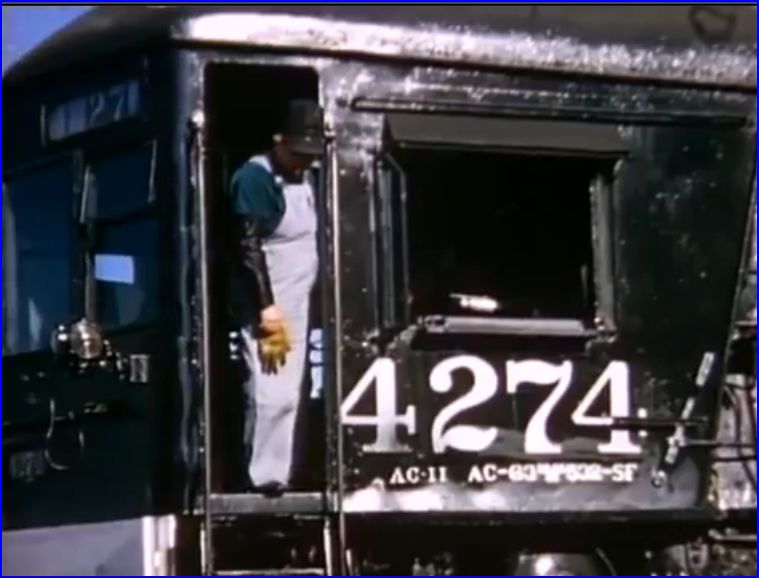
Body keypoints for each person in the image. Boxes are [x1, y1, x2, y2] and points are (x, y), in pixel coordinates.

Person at [228, 100, 323, 496]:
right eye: (298, 152)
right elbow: (247, 246)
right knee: (272, 393)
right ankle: (262, 477)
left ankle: (287, 468)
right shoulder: (254, 178)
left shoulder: (309, 175)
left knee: (298, 389)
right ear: (278, 141)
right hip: (272, 300)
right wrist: (266, 306)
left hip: (302, 295)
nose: (304, 160)